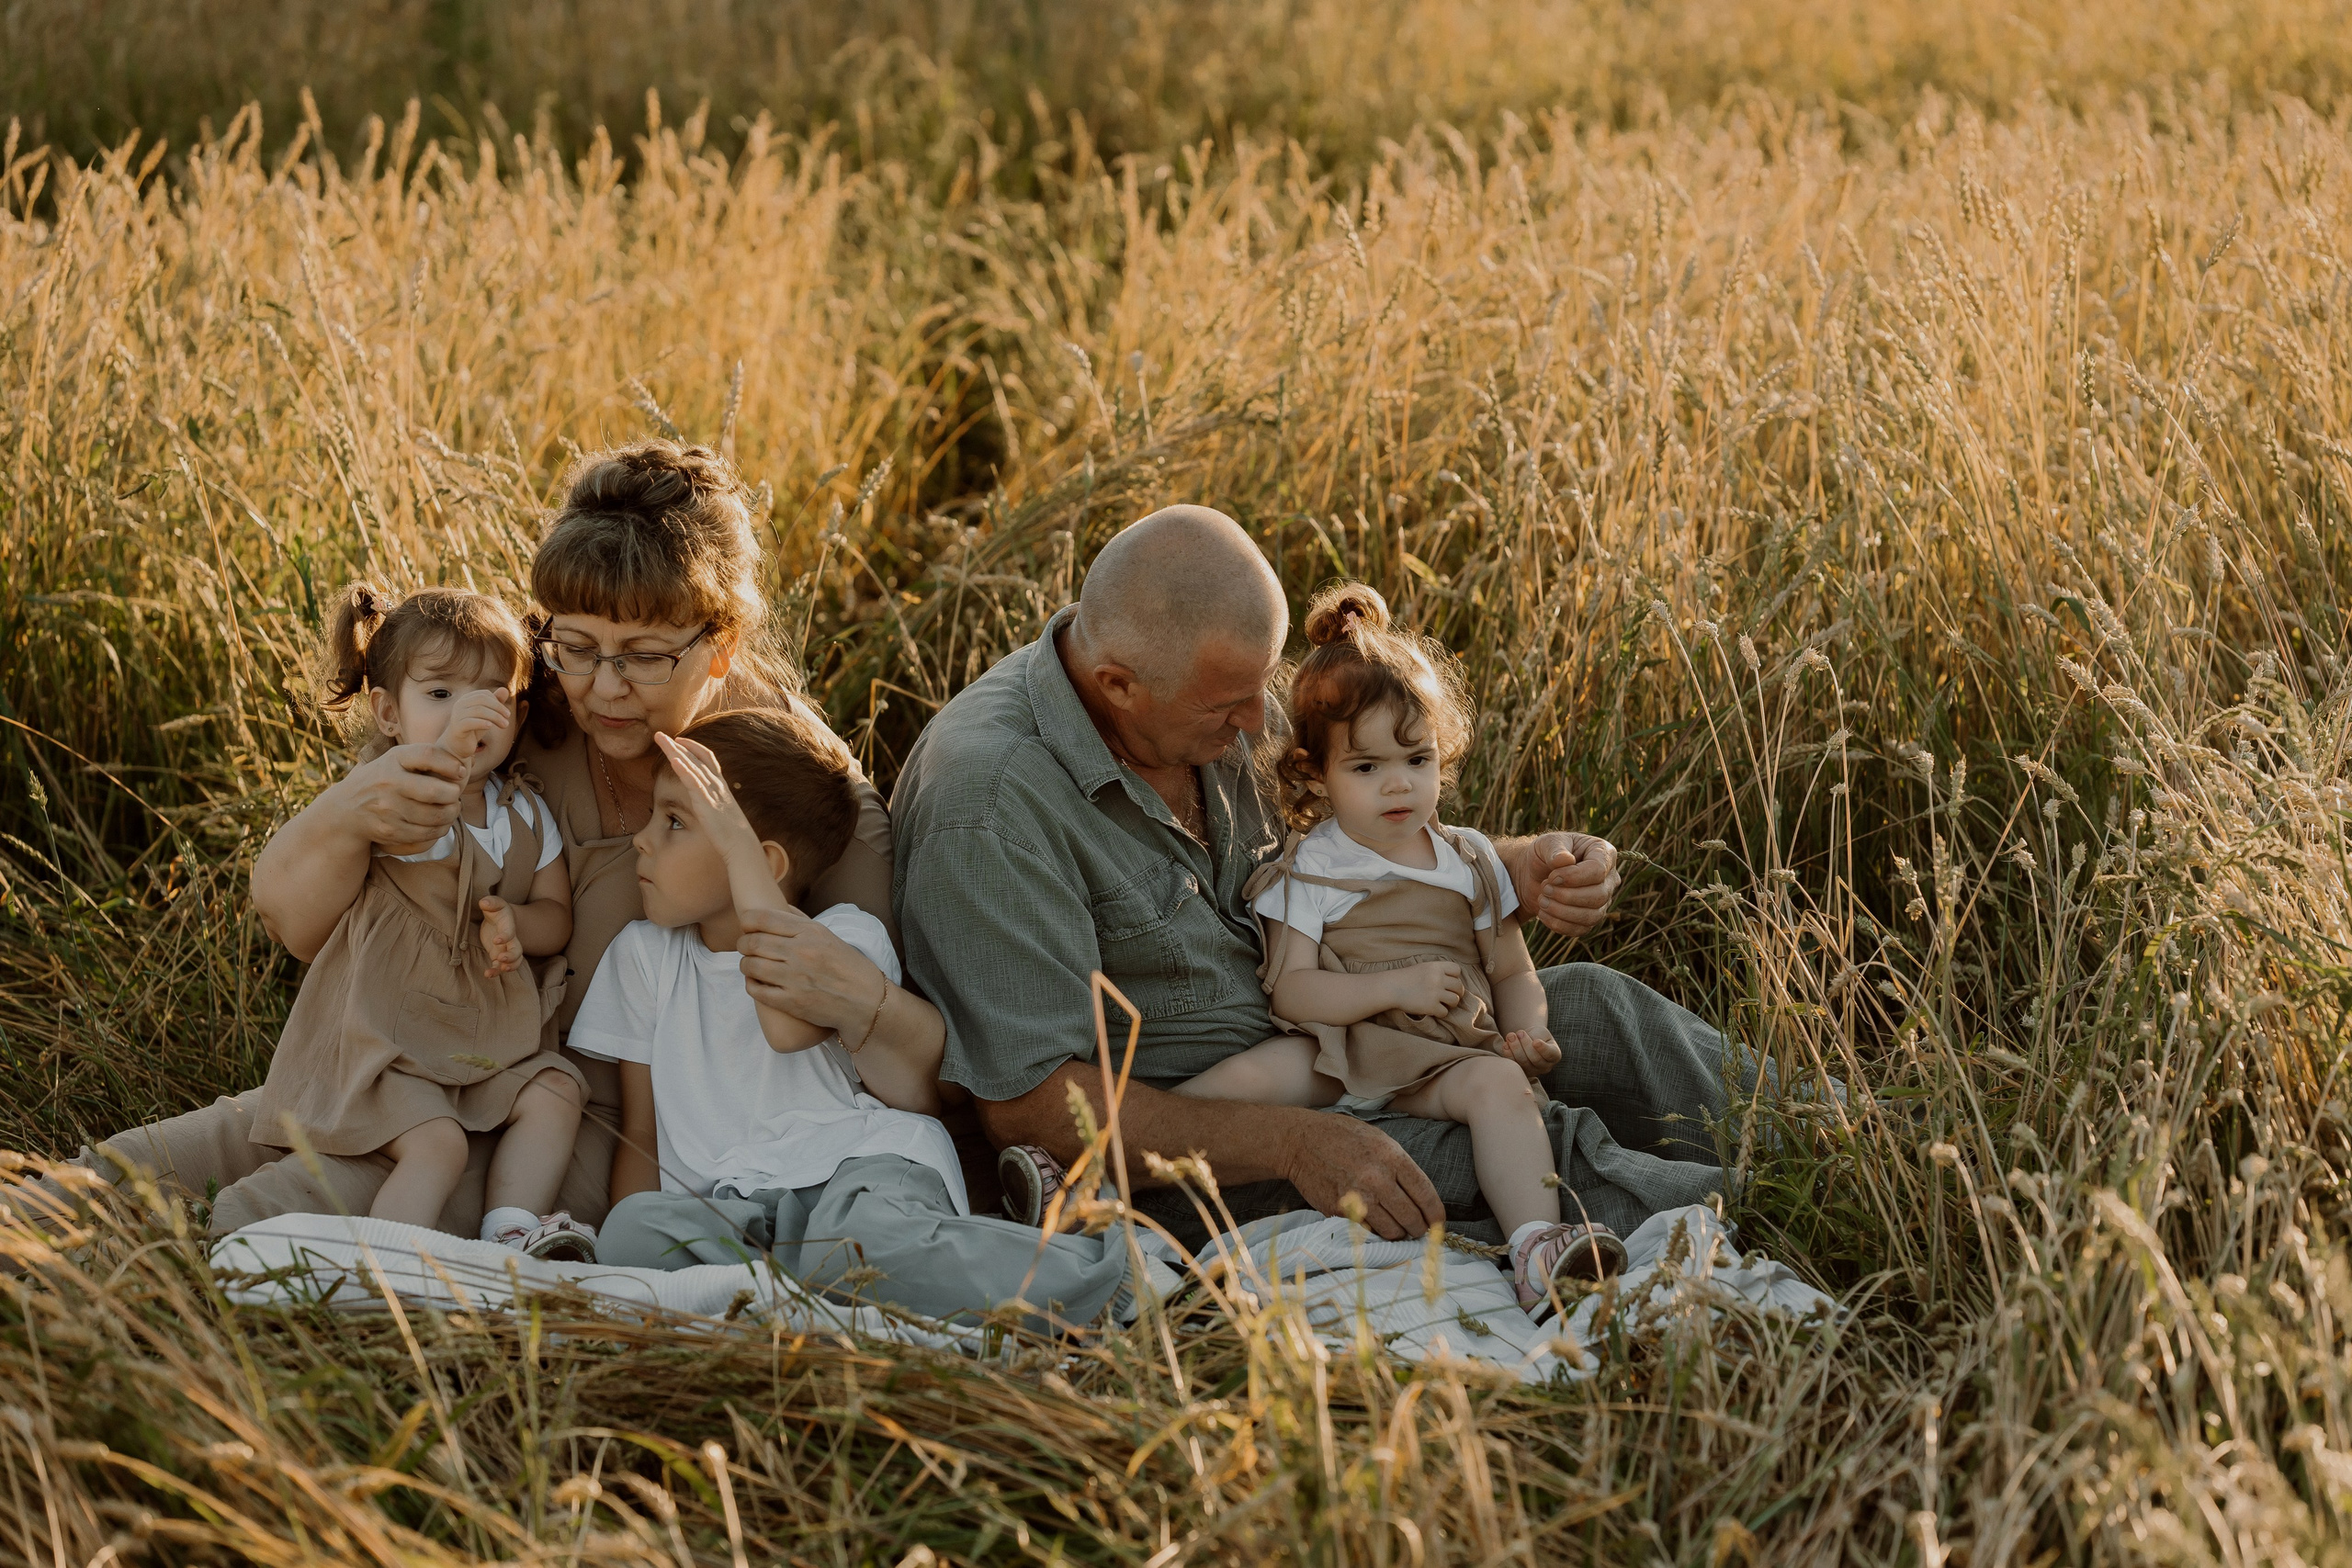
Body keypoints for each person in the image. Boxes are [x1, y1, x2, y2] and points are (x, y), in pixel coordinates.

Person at [62, 442, 944, 1240]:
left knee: (273, 1213)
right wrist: (351, 806)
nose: (603, 688)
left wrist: (868, 1007)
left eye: (642, 656)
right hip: (424, 1058)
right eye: (577, 644)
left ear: (717, 647)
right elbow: (295, 922)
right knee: (125, 1170)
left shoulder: (795, 783)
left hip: (589, 1136)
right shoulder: (531, 714)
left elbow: (896, 1062)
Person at [892, 504, 1737, 1251]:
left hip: (1361, 1033)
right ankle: (1768, 1219)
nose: (1259, 725)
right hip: (1211, 1155)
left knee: (1599, 1007)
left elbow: (1360, 842)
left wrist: (1521, 864)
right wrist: (1295, 1142)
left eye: (1264, 687)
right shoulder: (990, 806)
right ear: (1118, 683)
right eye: (1231, 706)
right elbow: (1034, 1110)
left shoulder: (1194, 684)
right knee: (1534, 1140)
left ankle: (1843, 1133)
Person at [578, 714, 1136, 1327]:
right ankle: (845, 1287)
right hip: (735, 1204)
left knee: (856, 1244)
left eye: (676, 821)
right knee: (630, 1233)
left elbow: (785, 1029)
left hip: (856, 1171)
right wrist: (624, 1271)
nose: (644, 839)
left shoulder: (845, 935)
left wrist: (740, 855)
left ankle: (1116, 1276)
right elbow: (642, 1132)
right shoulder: (643, 957)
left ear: (764, 861)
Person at [246, 583, 591, 1259]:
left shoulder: (525, 812)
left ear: (517, 714)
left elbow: (558, 916)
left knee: (557, 1088)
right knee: (438, 1144)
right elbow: (412, 822)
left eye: (492, 695)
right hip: (391, 1040)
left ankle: (512, 1234)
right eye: (439, 695)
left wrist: (519, 924)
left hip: (484, 1036)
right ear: (389, 712)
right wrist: (460, 737)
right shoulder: (402, 796)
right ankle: (388, 1262)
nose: (468, 712)